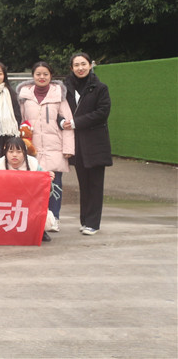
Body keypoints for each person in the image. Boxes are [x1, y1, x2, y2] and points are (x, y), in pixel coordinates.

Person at [17, 61, 75, 231]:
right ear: (33, 76)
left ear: (51, 76)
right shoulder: (25, 96)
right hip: (32, 148)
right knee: (33, 186)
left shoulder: (59, 95)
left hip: (54, 147)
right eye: (38, 74)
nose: (42, 77)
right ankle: (35, 219)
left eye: (45, 74)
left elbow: (68, 123)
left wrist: (68, 148)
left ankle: (54, 219)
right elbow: (21, 122)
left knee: (54, 185)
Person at [63, 52, 112, 236]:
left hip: (96, 143)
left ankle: (93, 223)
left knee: (96, 184)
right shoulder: (65, 88)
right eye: (76, 65)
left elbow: (102, 113)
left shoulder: (100, 88)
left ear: (90, 65)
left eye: (83, 64)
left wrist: (76, 123)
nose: (80, 68)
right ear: (71, 68)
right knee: (83, 184)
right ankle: (85, 221)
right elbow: (60, 110)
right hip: (77, 143)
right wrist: (62, 122)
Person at [0, 136, 55, 242]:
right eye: (11, 151)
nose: (14, 155)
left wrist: (48, 181)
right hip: (5, 205)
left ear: (24, 153)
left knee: (44, 219)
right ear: (5, 153)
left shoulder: (33, 165)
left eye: (19, 152)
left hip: (28, 204)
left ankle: (40, 231)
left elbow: (46, 191)